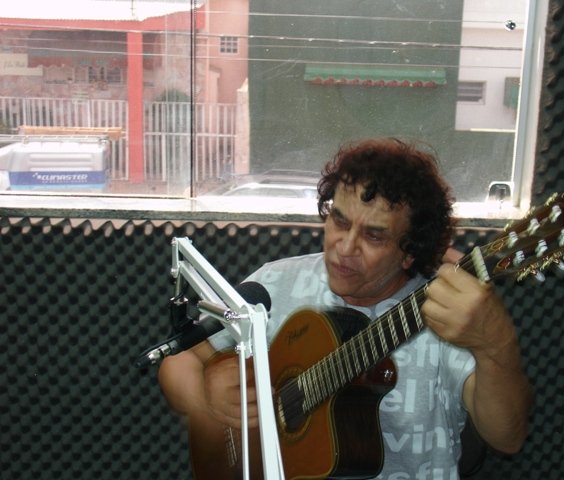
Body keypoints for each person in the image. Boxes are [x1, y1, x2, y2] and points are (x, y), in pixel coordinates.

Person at [158, 137, 533, 479]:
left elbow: (507, 437)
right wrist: (205, 396)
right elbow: (180, 360)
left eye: (374, 235)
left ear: (409, 253)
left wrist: (496, 345)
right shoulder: (274, 283)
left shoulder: (447, 312)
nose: (345, 246)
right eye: (339, 221)